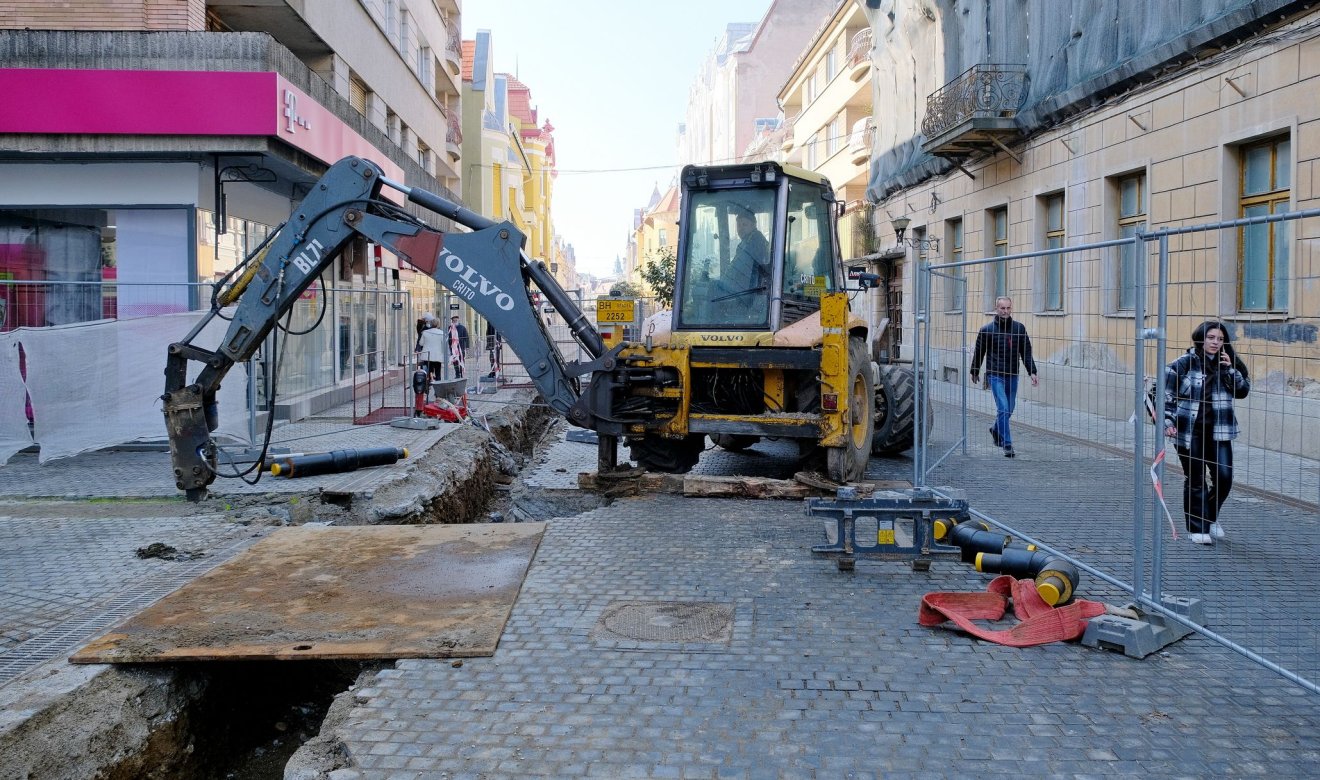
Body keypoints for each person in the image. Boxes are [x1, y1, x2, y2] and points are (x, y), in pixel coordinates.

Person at [1161, 320, 1250, 545]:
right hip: (1189, 431)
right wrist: (1167, 420)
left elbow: (1242, 391)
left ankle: (1208, 517)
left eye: (1220, 339)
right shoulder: (1183, 363)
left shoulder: (1226, 364)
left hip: (1220, 431)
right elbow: (1165, 395)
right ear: (1201, 338)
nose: (1215, 342)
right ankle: (1197, 528)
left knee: (1224, 478)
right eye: (1211, 338)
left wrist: (1230, 369)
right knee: (1196, 477)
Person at [969, 297, 1038, 458]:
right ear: (996, 308)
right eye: (1002, 308)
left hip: (1013, 375)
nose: (1005, 311)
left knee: (1010, 408)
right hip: (995, 375)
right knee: (1003, 408)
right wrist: (974, 370)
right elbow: (979, 352)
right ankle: (1007, 443)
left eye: (1008, 308)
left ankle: (995, 429)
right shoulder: (986, 330)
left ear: (1011, 308)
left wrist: (1032, 372)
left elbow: (1026, 352)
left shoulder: (1019, 329)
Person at [417, 314, 447, 380]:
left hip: (427, 355)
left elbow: (421, 343)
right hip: (437, 355)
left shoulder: (425, 332)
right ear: (438, 324)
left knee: (428, 371)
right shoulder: (442, 333)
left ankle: (429, 383)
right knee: (438, 371)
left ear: (431, 323)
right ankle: (438, 384)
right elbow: (444, 345)